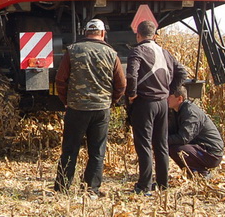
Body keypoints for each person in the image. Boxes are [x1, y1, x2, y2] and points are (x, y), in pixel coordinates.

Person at [54, 19, 126, 196]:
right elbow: (121, 84)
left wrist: (66, 100)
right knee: (97, 151)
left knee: (70, 149)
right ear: (102, 34)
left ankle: (62, 188)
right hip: (101, 109)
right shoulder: (111, 53)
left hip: (76, 109)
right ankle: (91, 189)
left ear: (85, 32)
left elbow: (60, 80)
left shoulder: (72, 50)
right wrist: (112, 101)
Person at [126, 20, 187, 194]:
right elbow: (182, 72)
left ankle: (144, 186)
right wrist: (169, 90)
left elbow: (131, 74)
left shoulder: (137, 51)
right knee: (161, 144)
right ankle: (162, 184)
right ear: (154, 35)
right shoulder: (164, 52)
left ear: (138, 35)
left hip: (145, 103)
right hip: (162, 103)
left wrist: (132, 93)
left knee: (143, 144)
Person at [168, 86, 224, 177]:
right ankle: (192, 172)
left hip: (211, 153)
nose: (166, 98)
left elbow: (183, 138)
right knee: (170, 145)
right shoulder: (176, 111)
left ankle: (202, 174)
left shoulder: (190, 113)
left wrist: (161, 140)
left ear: (179, 98)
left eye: (169, 96)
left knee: (177, 150)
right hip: (198, 147)